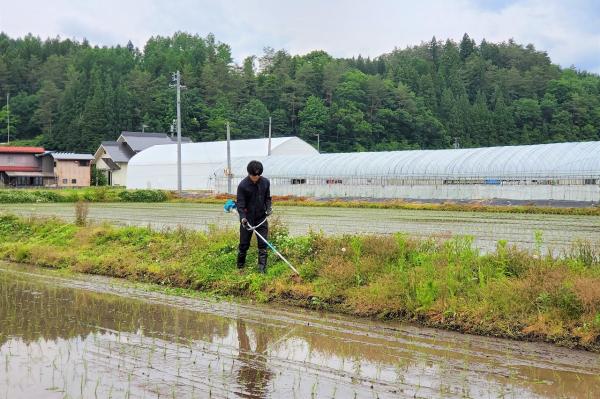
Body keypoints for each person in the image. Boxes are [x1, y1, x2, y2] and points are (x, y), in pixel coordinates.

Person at [236, 160, 272, 272]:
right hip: (247, 220)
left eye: (258, 175)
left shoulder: (265, 182)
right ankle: (240, 267)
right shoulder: (243, 186)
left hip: (261, 218)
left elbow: (267, 198)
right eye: (254, 175)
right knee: (244, 244)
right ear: (249, 173)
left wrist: (269, 207)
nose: (256, 177)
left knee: (263, 244)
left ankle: (262, 270)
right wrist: (243, 218)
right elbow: (240, 205)